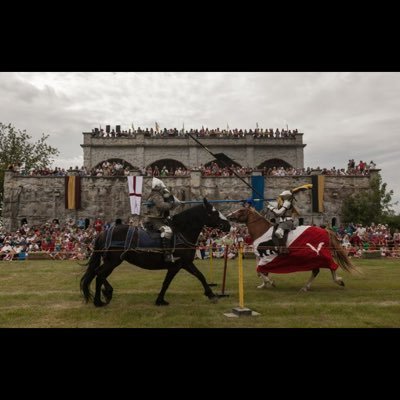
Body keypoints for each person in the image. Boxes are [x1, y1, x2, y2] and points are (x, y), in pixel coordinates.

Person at [145, 177, 181, 262]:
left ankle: (174, 250)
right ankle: (167, 255)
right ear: (158, 186)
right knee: (167, 231)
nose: (163, 188)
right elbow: (161, 206)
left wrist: (173, 201)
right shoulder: (155, 194)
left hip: (160, 218)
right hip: (154, 219)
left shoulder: (159, 194)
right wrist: (171, 204)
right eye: (161, 186)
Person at [266, 190, 297, 255]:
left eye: (282, 196)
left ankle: (284, 249)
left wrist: (271, 208)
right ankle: (278, 248)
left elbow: (279, 213)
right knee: (273, 234)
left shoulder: (287, 203)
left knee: (278, 232)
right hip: (281, 222)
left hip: (287, 222)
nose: (281, 197)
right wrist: (272, 208)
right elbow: (277, 214)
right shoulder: (283, 203)